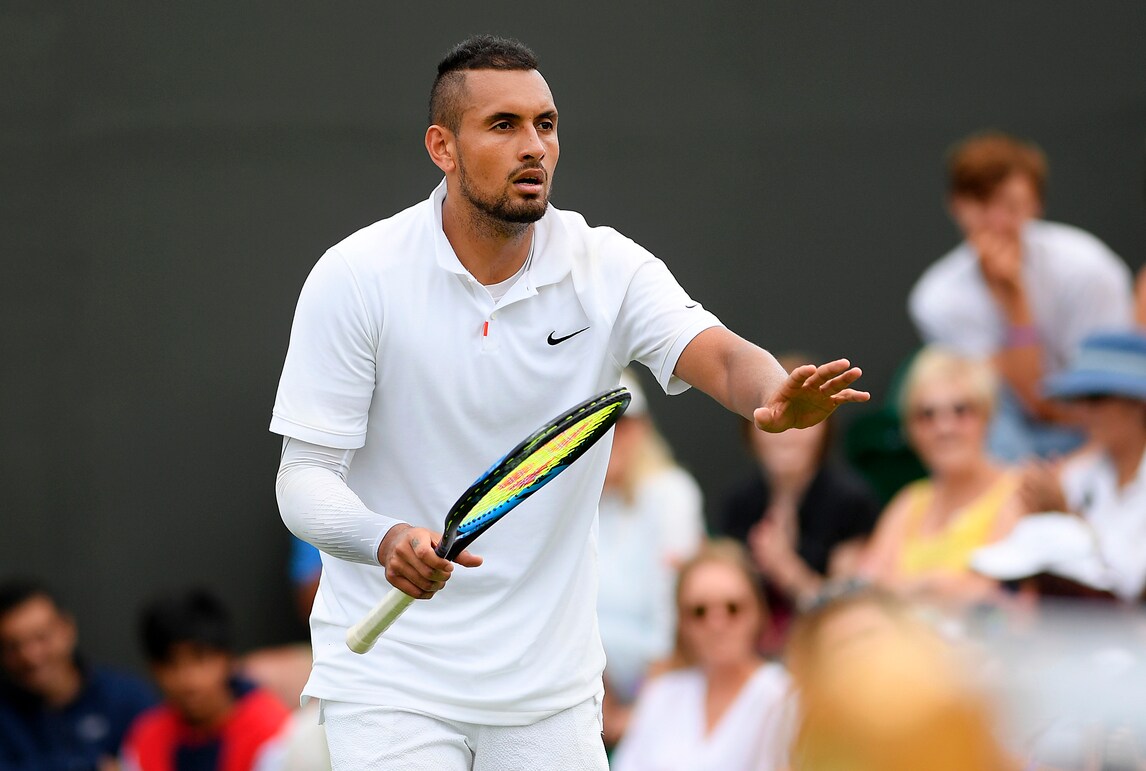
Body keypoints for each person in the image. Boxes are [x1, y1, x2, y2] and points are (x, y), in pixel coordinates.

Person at [270, 34, 867, 769]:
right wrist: (383, 537)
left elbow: (718, 354)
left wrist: (771, 392)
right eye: (503, 125)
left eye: (545, 125)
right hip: (391, 683)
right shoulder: (356, 276)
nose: (534, 147)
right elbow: (303, 479)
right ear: (442, 147)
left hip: (549, 690)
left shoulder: (607, 266)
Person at [907, 130, 1134, 462]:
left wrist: (1073, 470)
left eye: (1011, 206)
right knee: (982, 406)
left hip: (1095, 430)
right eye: (983, 205)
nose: (997, 222)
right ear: (956, 206)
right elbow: (1028, 400)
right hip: (1009, 444)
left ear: (1036, 206)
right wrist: (1015, 300)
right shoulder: (937, 298)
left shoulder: (1090, 270)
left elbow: (1112, 399)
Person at [711, 353, 881, 650]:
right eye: (774, 414)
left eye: (801, 418)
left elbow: (846, 610)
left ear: (825, 425)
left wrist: (786, 569)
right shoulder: (738, 503)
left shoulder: (851, 502)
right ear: (750, 427)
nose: (786, 432)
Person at [784, 586, 1021, 771]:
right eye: (843, 646)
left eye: (869, 635)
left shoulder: (959, 707)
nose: (863, 654)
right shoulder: (818, 749)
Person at [857, 346, 1023, 604]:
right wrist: (935, 585)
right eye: (926, 415)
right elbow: (864, 590)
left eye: (961, 410)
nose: (944, 427)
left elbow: (988, 594)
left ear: (987, 416)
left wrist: (907, 588)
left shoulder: (1017, 491)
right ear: (909, 429)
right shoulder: (910, 501)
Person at [609, 540, 792, 771]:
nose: (717, 624)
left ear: (758, 612)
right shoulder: (662, 694)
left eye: (733, 608)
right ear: (682, 623)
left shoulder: (783, 696)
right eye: (699, 612)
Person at [597, 369, 705, 749]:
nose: (611, 437)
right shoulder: (578, 507)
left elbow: (672, 620)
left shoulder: (671, 493)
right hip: (590, 691)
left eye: (622, 424)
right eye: (600, 427)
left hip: (665, 691)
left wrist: (640, 714)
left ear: (641, 428)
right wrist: (604, 707)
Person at [1013, 330, 1146, 603]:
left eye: (1096, 398)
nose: (1083, 412)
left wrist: (1065, 519)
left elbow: (1130, 584)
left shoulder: (1076, 475)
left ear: (1137, 404)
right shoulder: (1079, 474)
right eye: (1078, 400)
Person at [120, 588, 291, 771]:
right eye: (171, 664)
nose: (188, 680)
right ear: (154, 670)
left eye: (200, 659)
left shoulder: (274, 732)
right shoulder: (144, 738)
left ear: (227, 658)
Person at [0, 578, 156, 771]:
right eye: (13, 646)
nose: (30, 656)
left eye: (41, 637)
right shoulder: (5, 713)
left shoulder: (126, 698)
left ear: (67, 629)